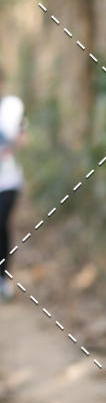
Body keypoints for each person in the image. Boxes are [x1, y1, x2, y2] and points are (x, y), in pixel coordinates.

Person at [0, 89, 25, 301]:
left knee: (1, 224)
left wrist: (15, 139)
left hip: (8, 181)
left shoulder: (11, 108)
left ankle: (3, 278)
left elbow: (23, 138)